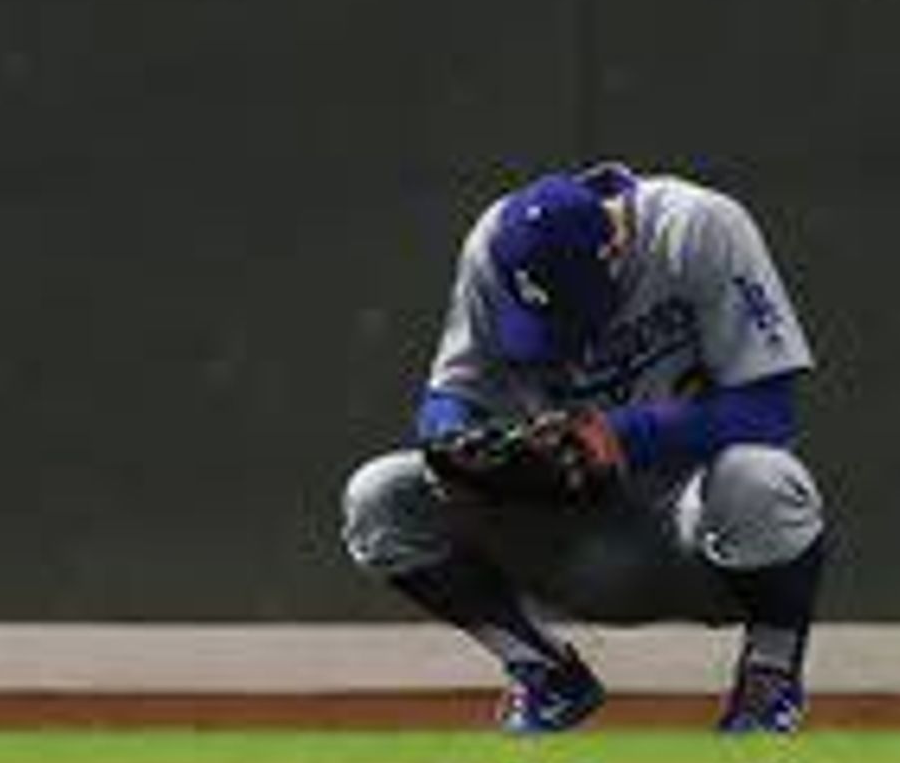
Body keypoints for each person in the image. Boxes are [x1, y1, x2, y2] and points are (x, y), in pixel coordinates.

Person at [339, 162, 828, 734]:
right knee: (379, 496)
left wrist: (623, 436)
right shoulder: (493, 246)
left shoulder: (699, 228)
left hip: (693, 529)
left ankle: (768, 684)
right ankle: (545, 674)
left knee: (765, 481)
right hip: (563, 527)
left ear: (617, 249)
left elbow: (769, 412)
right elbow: (451, 394)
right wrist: (454, 444)